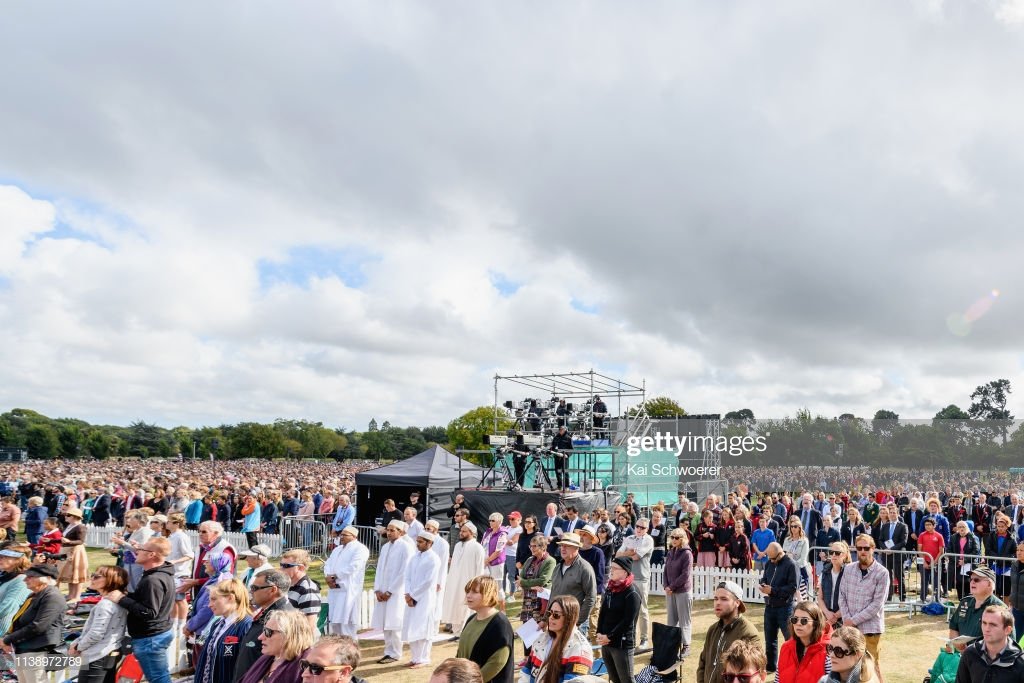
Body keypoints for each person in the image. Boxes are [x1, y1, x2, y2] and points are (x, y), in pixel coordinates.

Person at [104, 536, 176, 683]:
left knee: (158, 678)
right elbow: (147, 600)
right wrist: (128, 596)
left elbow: (149, 612)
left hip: (150, 638)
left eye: (141, 549)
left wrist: (121, 599)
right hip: (155, 635)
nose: (137, 551)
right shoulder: (157, 574)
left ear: (151, 555)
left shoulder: (153, 580)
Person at [0, 563, 66, 683]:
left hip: (38, 650)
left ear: (47, 578)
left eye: (31, 577)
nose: (25, 580)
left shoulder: (52, 596)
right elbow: (19, 621)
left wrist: (8, 639)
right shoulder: (35, 595)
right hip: (25, 648)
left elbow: (38, 626)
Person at [68, 565, 129, 683]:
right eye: (93, 575)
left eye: (97, 577)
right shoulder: (118, 601)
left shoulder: (105, 605)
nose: (92, 578)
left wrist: (77, 647)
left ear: (111, 580)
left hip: (97, 655)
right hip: (110, 651)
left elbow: (96, 633)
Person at [233, 569, 295, 683]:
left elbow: (282, 660)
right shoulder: (267, 612)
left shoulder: (283, 617)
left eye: (255, 588)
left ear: (272, 590)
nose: (251, 592)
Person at [838, 534, 888, 671]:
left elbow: (876, 605)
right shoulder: (848, 569)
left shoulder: (882, 573)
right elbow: (841, 595)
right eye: (859, 548)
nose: (863, 551)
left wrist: (852, 620)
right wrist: (847, 619)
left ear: (873, 549)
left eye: (866, 548)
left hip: (870, 630)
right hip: (849, 629)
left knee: (871, 668)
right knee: (849, 667)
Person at [695, 581, 759, 683]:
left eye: (724, 599)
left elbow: (751, 673)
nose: (718, 603)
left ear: (737, 603)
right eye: (716, 599)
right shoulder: (712, 630)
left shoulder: (748, 632)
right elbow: (703, 663)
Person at [193, 579, 254, 683]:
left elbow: (247, 666)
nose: (210, 605)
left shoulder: (246, 625)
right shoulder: (217, 624)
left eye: (214, 599)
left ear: (230, 598)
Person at [456, 575, 515, 683]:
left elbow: (497, 662)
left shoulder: (500, 623)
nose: (468, 596)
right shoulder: (471, 619)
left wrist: (473, 681)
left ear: (488, 593)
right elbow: (460, 653)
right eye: (468, 592)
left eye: (474, 592)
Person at [521, 595, 593, 683]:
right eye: (549, 613)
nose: (551, 617)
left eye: (556, 615)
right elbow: (526, 674)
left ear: (570, 617)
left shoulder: (580, 649)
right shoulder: (541, 640)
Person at [372, 519, 415, 664]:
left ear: (401, 532)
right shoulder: (385, 547)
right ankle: (388, 651)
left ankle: (396, 653)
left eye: (392, 530)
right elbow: (379, 569)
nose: (388, 533)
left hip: (395, 592)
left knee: (395, 623)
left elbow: (404, 572)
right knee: (385, 623)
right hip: (383, 591)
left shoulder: (406, 547)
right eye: (388, 530)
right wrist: (377, 589)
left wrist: (390, 591)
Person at [238, 605, 317, 683]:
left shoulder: (306, 667)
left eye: (268, 632)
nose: (260, 637)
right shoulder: (265, 660)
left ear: (289, 635)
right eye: (264, 630)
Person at [596, 556, 641, 683]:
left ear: (625, 572)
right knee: (614, 679)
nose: (611, 570)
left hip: (621, 644)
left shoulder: (632, 592)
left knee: (626, 680)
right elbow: (603, 612)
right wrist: (599, 632)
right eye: (611, 567)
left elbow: (628, 621)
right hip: (606, 642)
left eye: (615, 568)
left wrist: (609, 636)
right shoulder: (610, 588)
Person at [403, 531, 442, 668]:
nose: (417, 544)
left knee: (424, 628)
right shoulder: (414, 557)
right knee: (412, 626)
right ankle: (415, 658)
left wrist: (413, 595)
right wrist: (408, 594)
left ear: (429, 543)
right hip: (411, 597)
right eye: (417, 541)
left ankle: (424, 658)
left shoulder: (434, 559)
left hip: (425, 598)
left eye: (420, 542)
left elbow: (428, 581)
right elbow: (407, 577)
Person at [954, 604, 1024, 682]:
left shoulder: (1020, 662)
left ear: (1007, 630)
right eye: (984, 623)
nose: (986, 629)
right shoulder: (970, 653)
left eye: (993, 625)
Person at [947, 565, 1009, 653]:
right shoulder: (965, 602)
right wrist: (958, 645)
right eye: (971, 579)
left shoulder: (1000, 609)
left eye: (976, 580)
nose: (972, 582)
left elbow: (1007, 643)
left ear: (989, 584)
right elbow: (953, 627)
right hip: (963, 658)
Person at [760, 542, 798, 673]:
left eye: (773, 558)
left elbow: (792, 587)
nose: (771, 561)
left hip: (785, 607)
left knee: (790, 640)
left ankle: (795, 666)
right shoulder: (770, 563)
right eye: (769, 558)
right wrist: (763, 585)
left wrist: (773, 591)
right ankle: (771, 667)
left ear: (780, 553)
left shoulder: (791, 564)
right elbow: (764, 577)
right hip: (770, 606)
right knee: (769, 639)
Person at [324, 526, 369, 638]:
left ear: (354, 536)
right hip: (334, 589)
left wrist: (335, 576)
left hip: (348, 589)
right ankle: (338, 648)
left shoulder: (360, 549)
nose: (341, 537)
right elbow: (328, 563)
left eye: (345, 535)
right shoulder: (337, 549)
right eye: (341, 534)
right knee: (335, 621)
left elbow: (354, 566)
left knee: (347, 621)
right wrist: (328, 576)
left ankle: (350, 648)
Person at [517, 534, 556, 661]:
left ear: (543, 547)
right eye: (531, 546)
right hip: (528, 599)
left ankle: (538, 659)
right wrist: (530, 584)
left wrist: (525, 583)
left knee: (538, 629)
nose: (532, 548)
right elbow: (521, 576)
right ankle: (526, 658)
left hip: (541, 600)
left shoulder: (550, 561)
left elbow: (543, 580)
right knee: (526, 629)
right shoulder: (529, 560)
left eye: (535, 546)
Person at [549, 532, 597, 634]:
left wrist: (577, 621)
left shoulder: (585, 568)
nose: (563, 548)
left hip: (575, 623)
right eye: (562, 545)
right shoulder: (557, 568)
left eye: (567, 546)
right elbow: (553, 594)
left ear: (577, 548)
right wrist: (546, 619)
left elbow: (591, 597)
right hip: (557, 619)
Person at [443, 521, 486, 635]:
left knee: (467, 608)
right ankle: (457, 632)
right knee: (455, 605)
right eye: (461, 531)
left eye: (463, 531)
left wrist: (476, 585)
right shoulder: (457, 546)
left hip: (469, 584)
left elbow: (480, 568)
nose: (460, 533)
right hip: (455, 583)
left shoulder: (478, 548)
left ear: (471, 532)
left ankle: (466, 632)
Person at [184, 551, 235, 644]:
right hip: (205, 628)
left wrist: (190, 626)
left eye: (208, 562)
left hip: (207, 630)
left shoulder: (220, 582)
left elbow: (207, 610)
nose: (204, 563)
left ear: (216, 564)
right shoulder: (215, 579)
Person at [617, 517, 653, 646]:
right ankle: (629, 636)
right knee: (627, 609)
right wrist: (629, 552)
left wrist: (626, 553)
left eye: (642, 528)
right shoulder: (629, 538)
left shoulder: (648, 540)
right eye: (637, 526)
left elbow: (637, 557)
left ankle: (644, 639)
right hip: (627, 577)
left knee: (642, 609)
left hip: (641, 578)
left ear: (647, 529)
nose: (639, 529)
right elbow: (617, 555)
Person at [777, 600, 832, 683]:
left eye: (804, 620)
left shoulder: (828, 653)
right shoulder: (786, 648)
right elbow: (778, 680)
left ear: (815, 624)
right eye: (795, 620)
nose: (798, 624)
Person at [664, 526, 693, 656]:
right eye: (672, 537)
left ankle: (686, 645)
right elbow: (665, 570)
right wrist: (666, 585)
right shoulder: (670, 552)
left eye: (677, 537)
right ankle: (672, 644)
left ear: (682, 539)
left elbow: (685, 574)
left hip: (683, 591)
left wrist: (672, 586)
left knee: (684, 619)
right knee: (671, 619)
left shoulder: (687, 553)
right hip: (670, 591)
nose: (674, 540)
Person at [164, 512, 195, 629]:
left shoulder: (182, 537)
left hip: (180, 572)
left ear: (176, 524)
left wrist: (174, 561)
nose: (166, 524)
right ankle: (174, 622)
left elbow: (189, 555)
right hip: (172, 572)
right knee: (173, 599)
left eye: (169, 522)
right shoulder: (172, 536)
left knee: (180, 599)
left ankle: (182, 623)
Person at [281, 549, 322, 629]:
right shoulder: (286, 584)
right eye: (281, 565)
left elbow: (309, 626)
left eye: (286, 566)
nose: (281, 569)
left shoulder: (308, 589)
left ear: (301, 568)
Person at [58, 505, 89, 604]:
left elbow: (81, 541)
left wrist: (68, 542)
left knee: (77, 573)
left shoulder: (80, 527)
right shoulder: (70, 526)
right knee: (70, 574)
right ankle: (71, 595)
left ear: (75, 517)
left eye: (68, 515)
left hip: (76, 551)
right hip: (67, 550)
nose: (66, 516)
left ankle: (77, 596)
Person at [817, 541, 849, 628]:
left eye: (837, 553)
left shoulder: (849, 573)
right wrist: (827, 613)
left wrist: (836, 615)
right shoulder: (824, 572)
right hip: (826, 617)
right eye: (831, 552)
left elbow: (851, 600)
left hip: (844, 618)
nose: (834, 555)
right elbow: (819, 597)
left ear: (844, 555)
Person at [987, 514, 1018, 601]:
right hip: (994, 565)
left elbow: (1015, 552)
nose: (1000, 528)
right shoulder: (992, 535)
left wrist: (1005, 558)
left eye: (1002, 526)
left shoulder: (1011, 538)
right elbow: (988, 549)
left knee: (1006, 589)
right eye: (998, 526)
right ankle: (995, 605)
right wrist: (997, 557)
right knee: (994, 587)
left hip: (1007, 566)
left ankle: (1005, 607)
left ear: (1007, 526)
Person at [0, 548, 31, 634]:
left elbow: (7, 607)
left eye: (4, 557)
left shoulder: (21, 580)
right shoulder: (6, 577)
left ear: (17, 560)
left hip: (4, 629)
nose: (0, 559)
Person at [482, 513, 509, 607]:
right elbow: (482, 546)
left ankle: (502, 609)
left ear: (500, 522)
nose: (490, 522)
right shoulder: (487, 532)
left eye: (493, 520)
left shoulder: (503, 534)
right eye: (490, 520)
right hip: (485, 562)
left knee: (498, 586)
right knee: (486, 585)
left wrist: (487, 560)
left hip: (496, 563)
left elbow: (498, 551)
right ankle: (488, 607)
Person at [1009, 543, 1024, 645]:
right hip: (1017, 608)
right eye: (1017, 550)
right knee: (1016, 638)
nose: (1018, 552)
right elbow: (1013, 585)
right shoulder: (1014, 565)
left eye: (1022, 550)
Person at [550, 425, 573, 490]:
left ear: (565, 430)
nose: (560, 430)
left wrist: (567, 455)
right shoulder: (556, 437)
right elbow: (552, 446)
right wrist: (551, 450)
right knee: (557, 471)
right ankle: (559, 486)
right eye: (559, 429)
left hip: (564, 457)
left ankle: (566, 486)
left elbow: (571, 449)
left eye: (561, 429)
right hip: (557, 456)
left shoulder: (568, 438)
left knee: (565, 471)